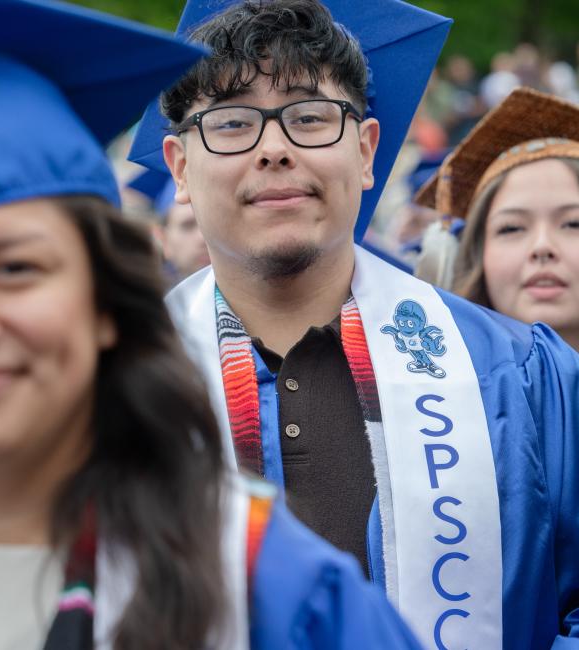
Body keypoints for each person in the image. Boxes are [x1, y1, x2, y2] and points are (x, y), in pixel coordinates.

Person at [129, 0, 579, 648]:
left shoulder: (521, 376)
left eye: (310, 117)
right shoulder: (116, 386)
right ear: (179, 168)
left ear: (366, 151)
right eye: (231, 123)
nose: (275, 149)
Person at [0, 1, 425, 649]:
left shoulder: (269, 585)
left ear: (103, 301)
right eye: (235, 122)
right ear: (178, 166)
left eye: (16, 268)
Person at [415, 87, 579, 351]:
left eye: (573, 223)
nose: (542, 247)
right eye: (511, 227)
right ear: (477, 253)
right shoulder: (436, 391)